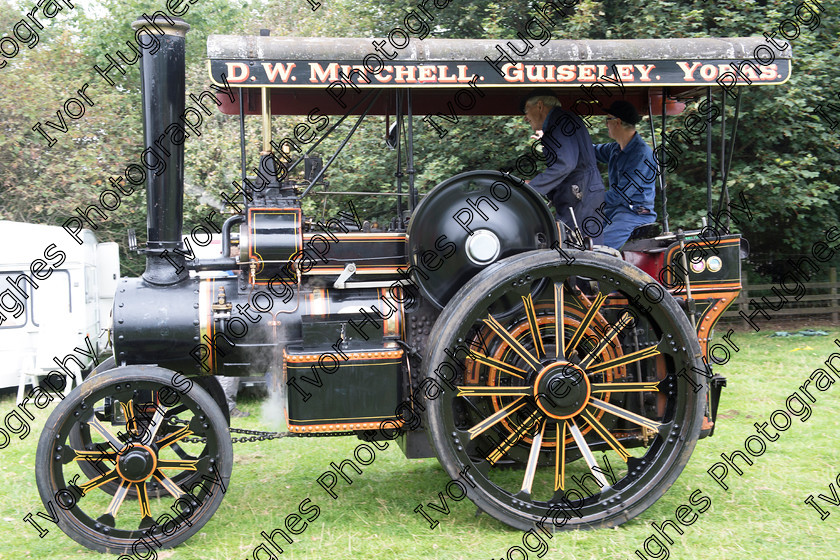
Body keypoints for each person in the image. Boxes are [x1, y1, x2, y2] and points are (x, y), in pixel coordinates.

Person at [520, 89, 605, 245]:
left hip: (581, 196)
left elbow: (565, 164)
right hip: (581, 193)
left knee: (582, 251)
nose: (525, 117)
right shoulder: (562, 121)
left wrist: (532, 188)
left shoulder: (560, 123)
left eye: (526, 110)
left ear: (540, 106)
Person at [594, 100, 658, 250]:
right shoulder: (615, 148)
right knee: (582, 237)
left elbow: (619, 195)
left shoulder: (641, 154)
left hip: (634, 214)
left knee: (598, 248)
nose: (606, 125)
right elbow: (589, 150)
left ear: (617, 122)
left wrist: (590, 198)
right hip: (615, 211)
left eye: (607, 120)